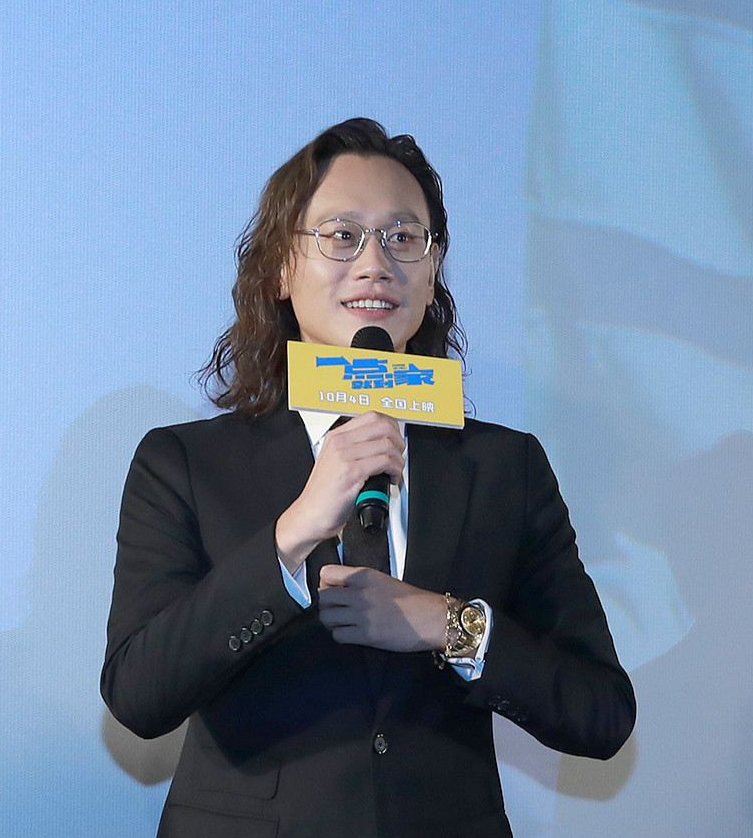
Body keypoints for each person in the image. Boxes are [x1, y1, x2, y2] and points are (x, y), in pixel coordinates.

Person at [101, 118, 635, 838]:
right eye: (341, 235)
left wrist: (447, 623)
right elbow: (138, 697)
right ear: (281, 269)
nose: (375, 263)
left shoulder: (506, 468)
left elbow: (602, 713)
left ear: (432, 269)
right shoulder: (185, 464)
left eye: (402, 237)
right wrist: (292, 536)